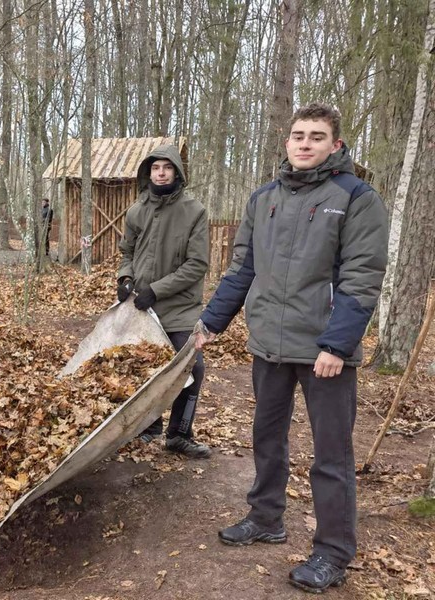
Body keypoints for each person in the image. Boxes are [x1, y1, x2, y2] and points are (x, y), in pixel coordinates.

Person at [196, 103, 388, 593]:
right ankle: (265, 519)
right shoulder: (264, 198)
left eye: (317, 136)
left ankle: (332, 552)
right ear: (287, 143)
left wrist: (337, 344)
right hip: (269, 345)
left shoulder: (356, 197)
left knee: (330, 455)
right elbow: (243, 267)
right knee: (266, 436)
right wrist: (211, 322)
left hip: (325, 352)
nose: (305, 144)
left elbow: (362, 278)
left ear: (335, 145)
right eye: (298, 135)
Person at [117, 144, 211, 459]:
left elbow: (197, 265)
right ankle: (149, 427)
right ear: (148, 172)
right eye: (155, 168)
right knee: (146, 366)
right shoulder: (136, 210)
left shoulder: (194, 211)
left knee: (192, 368)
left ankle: (179, 434)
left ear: (176, 172)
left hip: (179, 307)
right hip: (143, 307)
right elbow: (127, 252)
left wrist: (157, 290)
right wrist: (124, 279)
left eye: (166, 167)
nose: (161, 173)